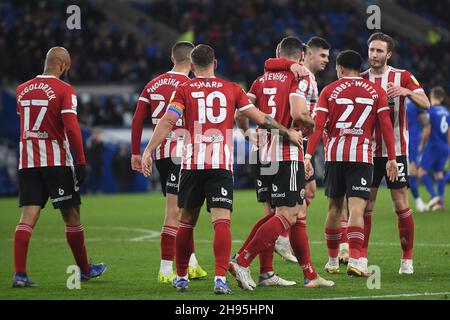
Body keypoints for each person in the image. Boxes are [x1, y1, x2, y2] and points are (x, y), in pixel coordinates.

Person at [141, 44, 302, 294]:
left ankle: (181, 276)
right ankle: (220, 279)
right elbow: (261, 118)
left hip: (192, 164)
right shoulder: (232, 89)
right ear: (215, 64)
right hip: (221, 165)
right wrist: (287, 132)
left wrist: (149, 150)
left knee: (186, 222)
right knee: (221, 222)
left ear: (192, 67)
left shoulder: (183, 88)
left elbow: (168, 120)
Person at [234, 37, 334, 288]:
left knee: (283, 213)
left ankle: (286, 274)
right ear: (302, 57)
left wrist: (249, 135)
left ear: (279, 54)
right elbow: (299, 113)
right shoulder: (301, 78)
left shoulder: (260, 80)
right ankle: (243, 260)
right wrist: (312, 127)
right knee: (288, 215)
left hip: (263, 154)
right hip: (286, 153)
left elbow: (239, 113)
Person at [13, 47, 106, 287]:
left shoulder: (21, 90)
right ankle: (84, 270)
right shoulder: (65, 90)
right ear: (63, 66)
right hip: (56, 162)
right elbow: (72, 127)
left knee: (27, 217)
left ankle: (20, 274)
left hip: (27, 162)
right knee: (71, 215)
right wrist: (82, 159)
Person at [305, 50, 399, 276]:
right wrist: (392, 158)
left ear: (340, 68)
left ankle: (333, 261)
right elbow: (386, 128)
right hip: (362, 155)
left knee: (334, 208)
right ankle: (357, 261)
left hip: (335, 155)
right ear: (360, 68)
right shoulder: (376, 92)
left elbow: (318, 128)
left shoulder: (329, 90)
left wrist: (308, 156)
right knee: (358, 208)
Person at [131, 41, 207, 283]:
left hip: (163, 153)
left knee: (186, 209)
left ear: (172, 58)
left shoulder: (152, 84)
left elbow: (137, 119)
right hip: (183, 153)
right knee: (176, 211)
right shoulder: (190, 85)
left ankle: (191, 263)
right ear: (193, 63)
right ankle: (165, 269)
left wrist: (136, 152)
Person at [361, 32, 430, 274]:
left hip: (397, 151)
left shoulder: (403, 76)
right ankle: (362, 260)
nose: (374, 55)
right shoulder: (361, 79)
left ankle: (407, 260)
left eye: (379, 51)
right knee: (365, 206)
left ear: (388, 54)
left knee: (400, 204)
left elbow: (426, 103)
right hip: (367, 152)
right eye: (371, 50)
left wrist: (407, 92)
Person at [418, 87, 449, 211]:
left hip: (433, 145)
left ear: (431, 96)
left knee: (421, 172)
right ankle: (440, 203)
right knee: (439, 174)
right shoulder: (446, 111)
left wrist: (422, 144)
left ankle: (434, 196)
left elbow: (427, 129)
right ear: (441, 98)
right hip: (444, 146)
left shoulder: (431, 110)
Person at [407, 98, 429, 212]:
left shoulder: (394, 99)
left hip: (397, 139)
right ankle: (418, 202)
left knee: (399, 170)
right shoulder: (415, 101)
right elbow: (425, 121)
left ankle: (398, 203)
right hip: (412, 139)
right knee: (412, 169)